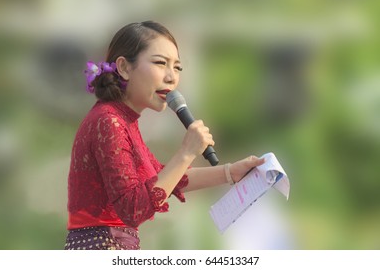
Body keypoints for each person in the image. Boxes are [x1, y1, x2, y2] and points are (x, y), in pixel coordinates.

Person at [64, 21, 265, 250]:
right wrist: (187, 152)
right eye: (161, 63)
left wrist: (230, 172)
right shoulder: (109, 121)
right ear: (124, 67)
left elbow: (164, 178)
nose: (171, 77)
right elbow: (133, 208)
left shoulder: (122, 120)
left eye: (177, 67)